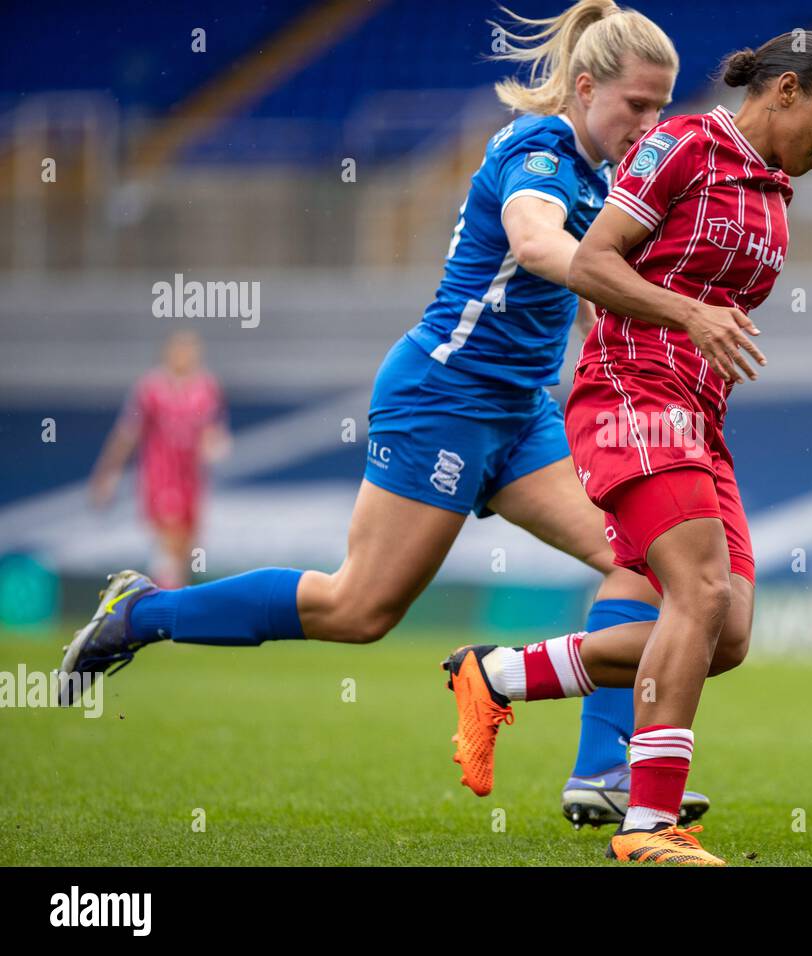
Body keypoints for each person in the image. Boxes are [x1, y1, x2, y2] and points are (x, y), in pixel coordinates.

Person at [59, 0, 711, 828]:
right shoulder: (538, 152)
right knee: (358, 609)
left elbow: (578, 296)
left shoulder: (605, 174)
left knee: (647, 560)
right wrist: (670, 307)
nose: (651, 124)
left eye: (662, 108)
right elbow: (543, 247)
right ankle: (140, 615)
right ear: (585, 89)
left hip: (520, 412)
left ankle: (603, 772)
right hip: (442, 397)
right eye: (638, 106)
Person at [442, 30, 812, 865]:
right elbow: (592, 260)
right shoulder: (683, 144)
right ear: (784, 90)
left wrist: (700, 326)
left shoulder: (773, 191)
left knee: (727, 632)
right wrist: (688, 315)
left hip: (698, 416)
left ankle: (498, 677)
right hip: (631, 388)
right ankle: (646, 828)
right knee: (699, 593)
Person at [89, 330, 230, 589]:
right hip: (161, 477)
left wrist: (216, 445)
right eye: (180, 350)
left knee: (187, 548)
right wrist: (108, 474)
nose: (186, 357)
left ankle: (168, 602)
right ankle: (164, 607)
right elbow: (127, 434)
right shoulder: (150, 389)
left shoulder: (207, 388)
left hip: (192, 480)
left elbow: (213, 430)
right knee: (171, 540)